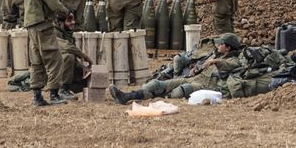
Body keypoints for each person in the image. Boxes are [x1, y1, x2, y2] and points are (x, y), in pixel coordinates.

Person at [108, 33, 270, 101]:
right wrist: (197, 68)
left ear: (228, 47)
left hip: (207, 84)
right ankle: (127, 97)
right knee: (159, 84)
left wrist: (215, 62)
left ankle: (158, 98)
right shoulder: (213, 54)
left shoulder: (236, 58)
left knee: (180, 90)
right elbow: (200, 64)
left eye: (221, 44)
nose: (218, 45)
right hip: (196, 78)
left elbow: (230, 66)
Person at [22, 0, 74, 106]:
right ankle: (54, 94)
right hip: (42, 24)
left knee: (37, 61)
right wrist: (66, 13)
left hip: (31, 24)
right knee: (55, 59)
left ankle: (37, 97)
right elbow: (53, 2)